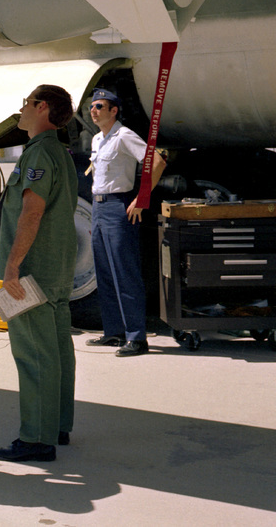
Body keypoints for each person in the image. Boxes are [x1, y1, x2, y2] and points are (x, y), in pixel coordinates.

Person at [0, 85, 78, 463]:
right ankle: (57, 423)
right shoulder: (59, 152)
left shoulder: (39, 153)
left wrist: (11, 266)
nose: (21, 109)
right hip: (56, 267)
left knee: (33, 352)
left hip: (31, 271)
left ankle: (36, 438)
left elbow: (32, 212)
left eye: (26, 103)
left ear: (42, 107)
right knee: (57, 348)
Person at [85, 88, 166, 357]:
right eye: (92, 106)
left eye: (99, 106)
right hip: (99, 207)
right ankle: (114, 332)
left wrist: (142, 198)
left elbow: (157, 161)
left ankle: (136, 337)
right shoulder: (98, 139)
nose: (93, 111)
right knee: (105, 273)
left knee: (124, 273)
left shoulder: (124, 136)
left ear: (113, 110)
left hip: (118, 208)